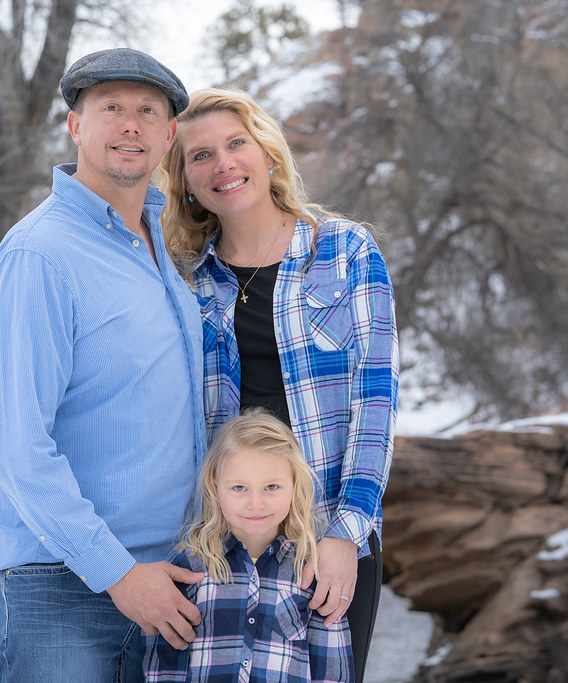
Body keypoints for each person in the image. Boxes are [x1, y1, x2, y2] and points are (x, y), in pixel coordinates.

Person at [0, 48, 207, 682]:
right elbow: (16, 446)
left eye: (147, 112)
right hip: (64, 582)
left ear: (167, 136)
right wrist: (118, 573)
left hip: (169, 583)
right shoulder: (40, 254)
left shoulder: (165, 250)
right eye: (111, 108)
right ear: (76, 126)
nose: (130, 125)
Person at [155, 87, 399, 681]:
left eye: (236, 144)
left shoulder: (343, 252)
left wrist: (345, 533)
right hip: (221, 539)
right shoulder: (185, 278)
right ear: (185, 180)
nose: (224, 165)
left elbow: (376, 403)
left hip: (325, 539)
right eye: (201, 155)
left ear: (268, 152)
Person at [143, 409, 354, 681]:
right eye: (240, 488)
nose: (256, 503)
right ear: (215, 486)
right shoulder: (190, 567)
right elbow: (164, 663)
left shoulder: (313, 573)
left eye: (271, 487)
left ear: (294, 485)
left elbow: (332, 668)